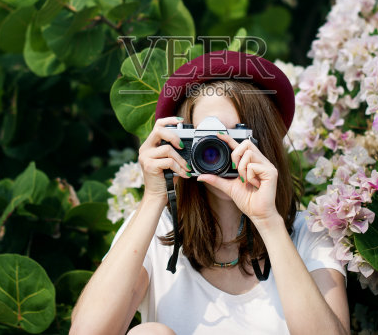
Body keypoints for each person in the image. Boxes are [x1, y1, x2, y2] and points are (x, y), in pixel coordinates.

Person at [71, 50, 349, 335]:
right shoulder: (155, 232)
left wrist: (268, 222)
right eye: (206, 139)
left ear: (262, 141)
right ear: (182, 142)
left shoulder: (308, 234)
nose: (220, 151)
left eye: (234, 136)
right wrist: (155, 197)